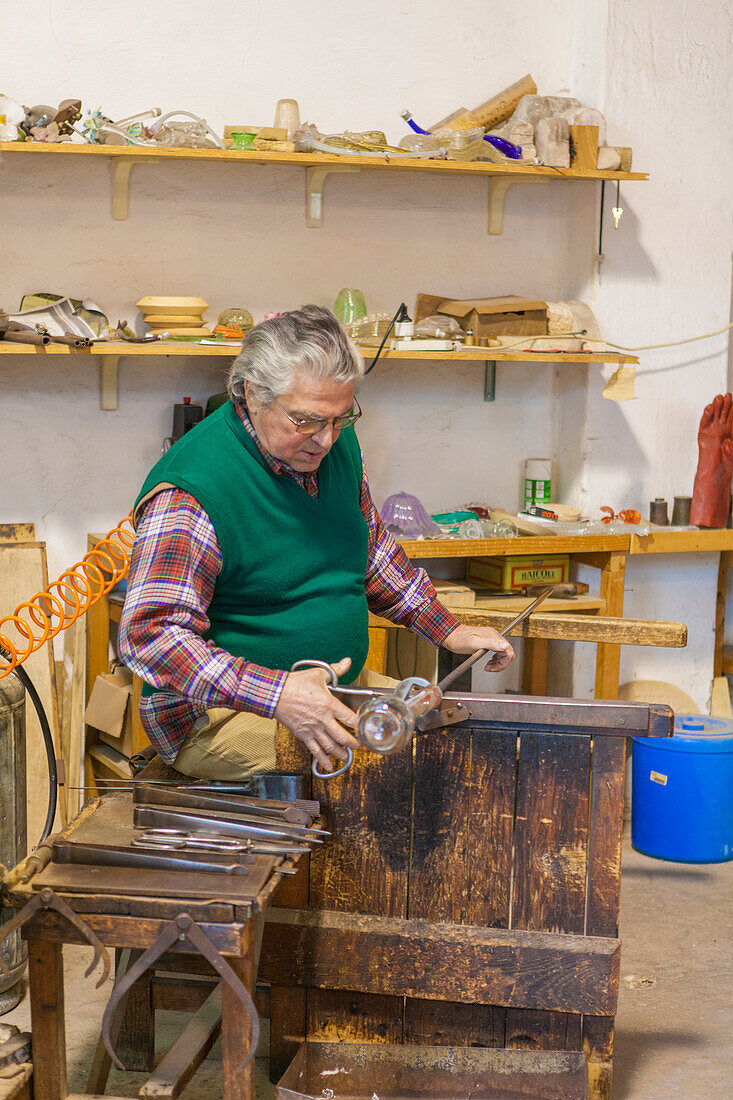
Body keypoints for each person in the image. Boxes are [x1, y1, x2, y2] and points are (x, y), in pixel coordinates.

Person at [118, 305, 514, 778]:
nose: (325, 440)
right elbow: (152, 638)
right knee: (376, 765)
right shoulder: (194, 492)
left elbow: (368, 550)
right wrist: (279, 693)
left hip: (331, 688)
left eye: (340, 418)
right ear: (251, 394)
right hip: (219, 717)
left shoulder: (334, 443)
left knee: (447, 734)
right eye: (305, 421)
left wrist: (448, 630)